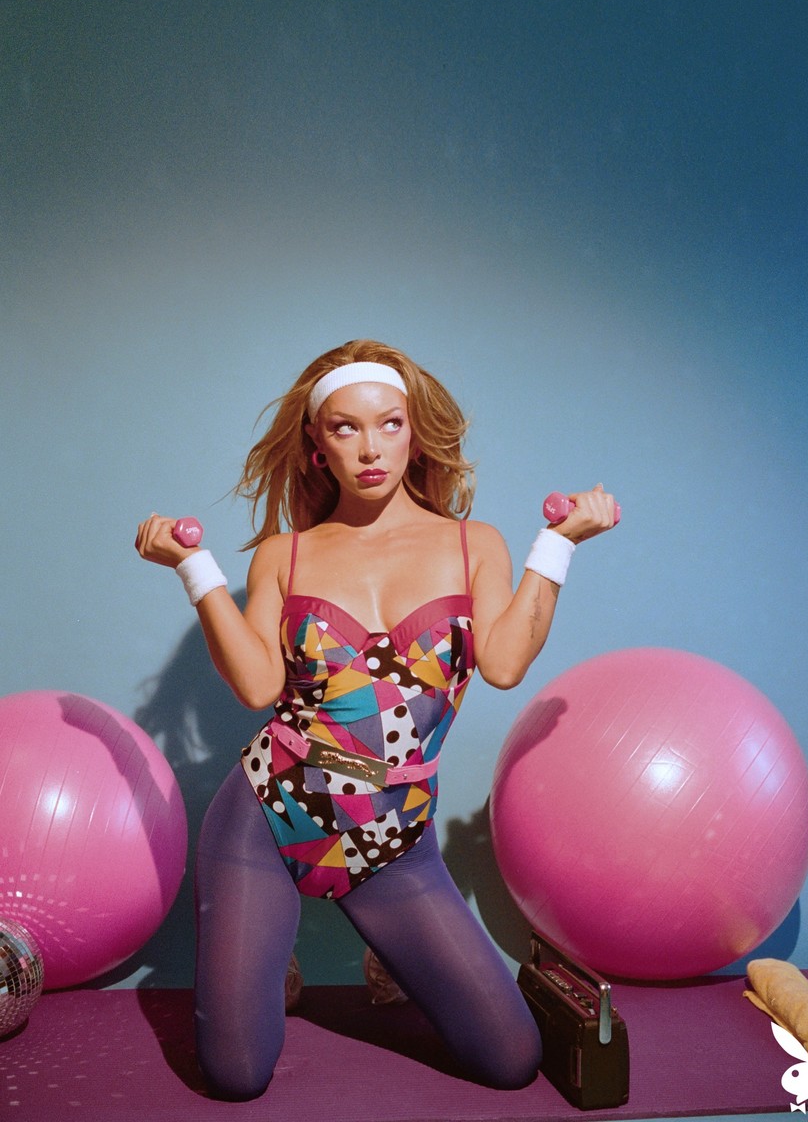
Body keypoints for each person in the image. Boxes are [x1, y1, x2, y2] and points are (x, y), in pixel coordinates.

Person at [135, 338, 617, 1101]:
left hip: (392, 835)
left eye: (389, 423)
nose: (370, 449)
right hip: (271, 812)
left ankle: (385, 949)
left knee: (509, 1058)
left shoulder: (474, 545)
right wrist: (192, 570)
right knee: (235, 1076)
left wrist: (556, 546)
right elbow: (258, 685)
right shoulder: (285, 555)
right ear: (317, 445)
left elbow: (502, 665)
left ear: (413, 434)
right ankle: (272, 960)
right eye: (345, 428)